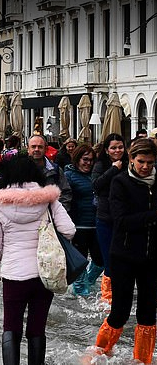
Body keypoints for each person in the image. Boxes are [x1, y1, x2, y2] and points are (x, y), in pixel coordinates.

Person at [0, 153, 75, 365]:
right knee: (37, 328)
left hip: (14, 275)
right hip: (43, 274)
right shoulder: (49, 200)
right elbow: (69, 230)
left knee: (11, 327)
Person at [88, 138, 157, 364]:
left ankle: (142, 360)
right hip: (124, 256)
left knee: (148, 314)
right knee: (120, 312)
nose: (145, 166)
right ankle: (99, 352)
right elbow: (121, 221)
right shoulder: (120, 182)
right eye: (141, 162)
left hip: (151, 258)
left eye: (150, 162)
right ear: (131, 159)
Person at [91, 132, 127, 305]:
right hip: (105, 218)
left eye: (120, 147)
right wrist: (114, 169)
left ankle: (122, 293)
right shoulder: (100, 165)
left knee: (125, 259)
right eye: (113, 147)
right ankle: (108, 299)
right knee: (109, 260)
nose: (117, 150)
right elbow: (96, 185)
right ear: (106, 150)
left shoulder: (131, 164)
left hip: (125, 219)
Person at [64, 144, 103, 297]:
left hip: (97, 225)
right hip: (78, 226)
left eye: (91, 160)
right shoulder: (69, 175)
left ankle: (89, 282)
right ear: (77, 159)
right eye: (85, 159)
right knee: (79, 262)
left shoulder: (96, 175)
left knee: (101, 261)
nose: (88, 163)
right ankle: (80, 294)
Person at [27, 135, 72, 213]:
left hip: (51, 218)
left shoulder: (55, 170)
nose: (37, 149)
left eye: (40, 147)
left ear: (46, 149)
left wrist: (58, 213)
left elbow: (65, 192)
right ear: (28, 149)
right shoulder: (19, 170)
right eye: (33, 147)